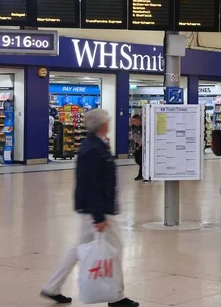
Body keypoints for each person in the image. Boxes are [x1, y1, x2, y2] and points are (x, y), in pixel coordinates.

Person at [40, 109, 139, 307]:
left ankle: (52, 287)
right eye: (108, 120)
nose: (110, 121)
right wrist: (99, 216)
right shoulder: (92, 149)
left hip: (93, 208)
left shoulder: (97, 144)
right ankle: (116, 297)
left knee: (78, 248)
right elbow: (92, 184)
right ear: (102, 124)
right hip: (97, 209)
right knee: (115, 248)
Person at [131, 115, 148, 182]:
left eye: (134, 121)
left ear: (138, 120)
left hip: (143, 145)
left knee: (142, 160)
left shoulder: (142, 127)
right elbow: (134, 136)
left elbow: (143, 137)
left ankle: (143, 174)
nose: (132, 122)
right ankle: (141, 174)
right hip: (137, 144)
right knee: (138, 159)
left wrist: (139, 145)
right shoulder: (133, 127)